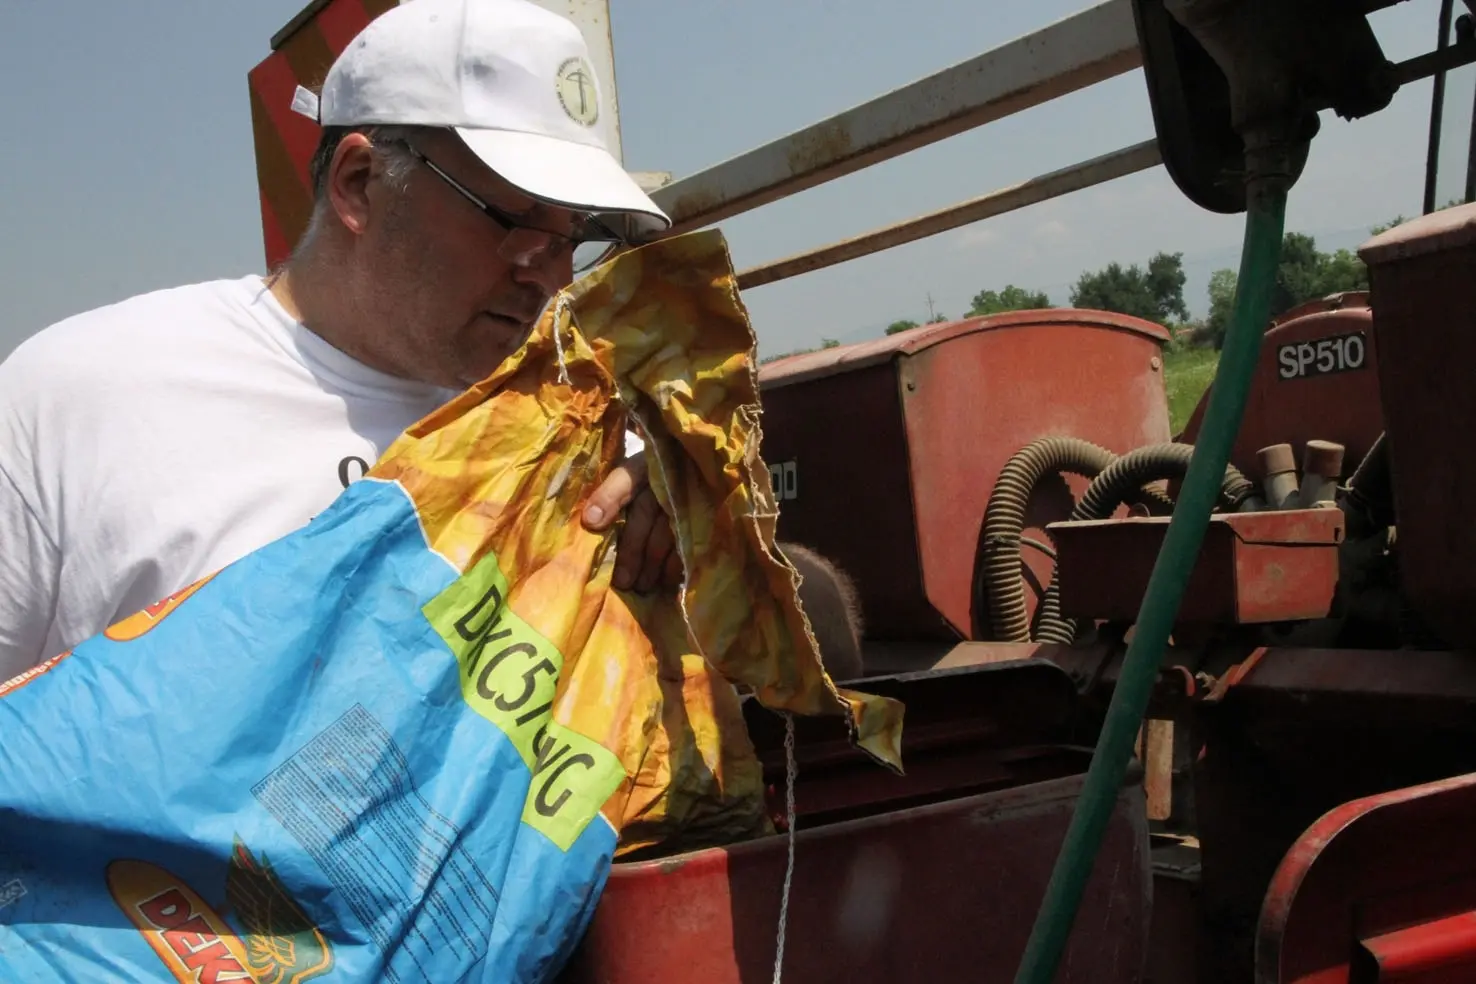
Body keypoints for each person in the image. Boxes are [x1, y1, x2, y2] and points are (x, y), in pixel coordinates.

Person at [0, 0, 684, 681]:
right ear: (359, 185)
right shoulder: (74, 402)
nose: (555, 274)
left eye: (576, 234)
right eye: (516, 219)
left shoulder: (581, 439)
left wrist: (696, 526)